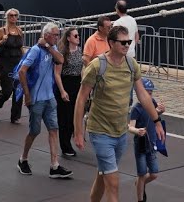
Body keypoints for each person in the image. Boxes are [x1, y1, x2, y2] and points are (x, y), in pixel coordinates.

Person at [73, 24, 161, 202]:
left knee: (103, 175)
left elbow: (142, 95)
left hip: (120, 132)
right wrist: (79, 132)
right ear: (111, 43)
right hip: (100, 131)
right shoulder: (97, 66)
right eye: (123, 42)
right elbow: (81, 99)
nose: (127, 45)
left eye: (129, 42)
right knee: (113, 183)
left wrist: (157, 120)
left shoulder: (131, 64)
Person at [18, 22, 73, 179]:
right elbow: (22, 71)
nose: (58, 37)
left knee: (53, 129)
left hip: (49, 98)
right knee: (34, 131)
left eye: (58, 34)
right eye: (55, 35)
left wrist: (49, 46)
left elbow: (61, 60)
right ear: (47, 34)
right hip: (36, 99)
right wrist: (27, 95)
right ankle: (23, 158)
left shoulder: (52, 48)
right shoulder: (35, 51)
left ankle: (54, 165)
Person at [129, 77, 166, 202]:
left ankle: (140, 183)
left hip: (152, 143)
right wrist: (136, 131)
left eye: (151, 93)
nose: (150, 96)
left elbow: (154, 116)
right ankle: (140, 198)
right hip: (140, 144)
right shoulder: (136, 109)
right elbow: (130, 126)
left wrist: (160, 111)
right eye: (147, 93)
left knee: (154, 173)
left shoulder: (153, 103)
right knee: (141, 173)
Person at [0, 8, 25, 123]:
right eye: (11, 15)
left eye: (15, 15)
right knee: (7, 89)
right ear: (7, 17)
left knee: (18, 89)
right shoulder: (2, 31)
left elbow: (20, 47)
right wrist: (2, 41)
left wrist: (26, 60)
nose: (13, 18)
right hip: (6, 62)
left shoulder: (19, 30)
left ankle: (15, 116)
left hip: (18, 61)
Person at [55, 26, 84, 158]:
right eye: (75, 36)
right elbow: (57, 74)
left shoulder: (79, 51)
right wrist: (62, 91)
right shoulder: (62, 53)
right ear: (68, 38)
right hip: (65, 84)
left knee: (75, 116)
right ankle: (65, 146)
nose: (78, 38)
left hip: (77, 84)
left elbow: (81, 69)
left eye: (78, 35)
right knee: (64, 118)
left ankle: (70, 140)